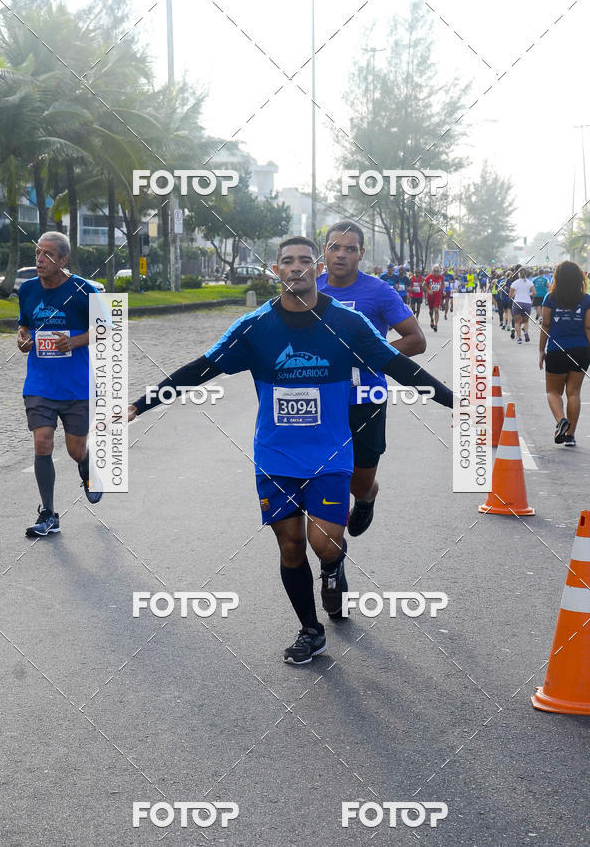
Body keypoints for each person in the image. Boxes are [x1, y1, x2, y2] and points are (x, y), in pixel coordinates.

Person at [128, 237, 453, 664]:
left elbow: (401, 367)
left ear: (317, 268)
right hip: (275, 455)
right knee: (290, 546)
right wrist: (139, 403)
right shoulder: (253, 327)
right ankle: (310, 629)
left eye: (304, 260)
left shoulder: (349, 325)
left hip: (331, 453)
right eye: (287, 261)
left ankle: (334, 568)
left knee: (325, 543)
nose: (296, 267)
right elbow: (201, 368)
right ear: (275, 270)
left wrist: (456, 402)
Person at [317, 221, 425, 537]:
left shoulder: (378, 292)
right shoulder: (310, 287)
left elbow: (416, 340)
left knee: (358, 482)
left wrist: (367, 355)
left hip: (365, 399)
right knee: (323, 476)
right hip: (319, 401)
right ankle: (329, 552)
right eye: (334, 247)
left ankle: (367, 496)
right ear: (324, 250)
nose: (341, 255)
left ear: (361, 253)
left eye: (350, 249)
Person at [17, 232, 103, 538]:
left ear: (63, 260)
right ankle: (49, 514)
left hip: (76, 385)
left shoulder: (83, 289)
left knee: (75, 450)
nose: (40, 259)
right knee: (42, 441)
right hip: (39, 382)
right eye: (38, 253)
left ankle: (87, 465)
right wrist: (23, 336)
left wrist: (75, 340)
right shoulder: (27, 289)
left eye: (48, 255)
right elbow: (24, 323)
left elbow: (105, 329)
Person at [539, 260, 590, 447]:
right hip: (581, 349)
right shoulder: (586, 300)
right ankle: (570, 436)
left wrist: (540, 350)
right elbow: (588, 327)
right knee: (574, 393)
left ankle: (561, 420)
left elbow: (545, 325)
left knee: (553, 391)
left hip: (556, 349)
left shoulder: (550, 298)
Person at [509, 269, 536, 343]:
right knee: (526, 321)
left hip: (517, 303)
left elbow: (510, 296)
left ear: (518, 274)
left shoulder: (515, 283)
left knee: (517, 322)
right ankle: (526, 333)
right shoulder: (530, 282)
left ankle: (519, 338)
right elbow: (534, 293)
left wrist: (515, 294)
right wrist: (528, 294)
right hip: (527, 303)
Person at [424, 265, 445, 332]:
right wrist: (428, 290)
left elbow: (443, 284)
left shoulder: (441, 277)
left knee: (436, 310)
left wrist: (443, 291)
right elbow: (423, 285)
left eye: (437, 271)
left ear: (439, 271)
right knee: (431, 311)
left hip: (437, 296)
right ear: (432, 271)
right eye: (435, 271)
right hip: (430, 296)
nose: (436, 272)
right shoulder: (429, 277)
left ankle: (436, 325)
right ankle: (431, 319)